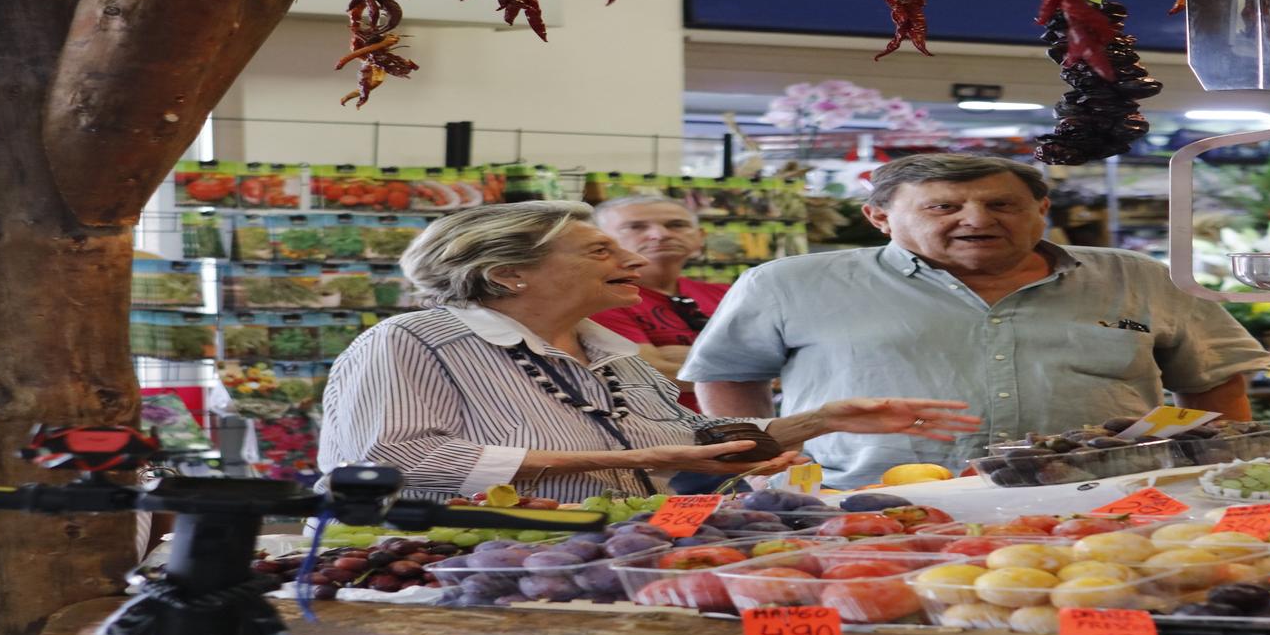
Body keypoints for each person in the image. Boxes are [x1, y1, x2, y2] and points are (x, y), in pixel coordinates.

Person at [682, 153, 1270, 487]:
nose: (976, 219)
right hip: (868, 500)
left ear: (1041, 210)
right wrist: (765, 460)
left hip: (1108, 494)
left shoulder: (1138, 276)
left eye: (1003, 205)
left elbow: (1215, 380)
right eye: (943, 207)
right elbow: (728, 374)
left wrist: (1214, 467)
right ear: (879, 218)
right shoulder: (790, 283)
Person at [317, 201, 978, 501]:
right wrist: (630, 458)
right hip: (474, 573)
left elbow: (687, 438)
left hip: (623, 559)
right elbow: (392, 459)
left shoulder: (613, 351)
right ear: (508, 273)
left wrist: (820, 420)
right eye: (601, 249)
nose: (634, 258)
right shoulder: (410, 342)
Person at [587, 195, 727, 409]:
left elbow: (779, 358)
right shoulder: (601, 297)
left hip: (743, 427)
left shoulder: (729, 294)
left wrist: (679, 357)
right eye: (635, 227)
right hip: (654, 434)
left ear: (700, 237)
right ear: (600, 241)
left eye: (677, 225)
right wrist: (748, 367)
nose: (660, 235)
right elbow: (646, 373)